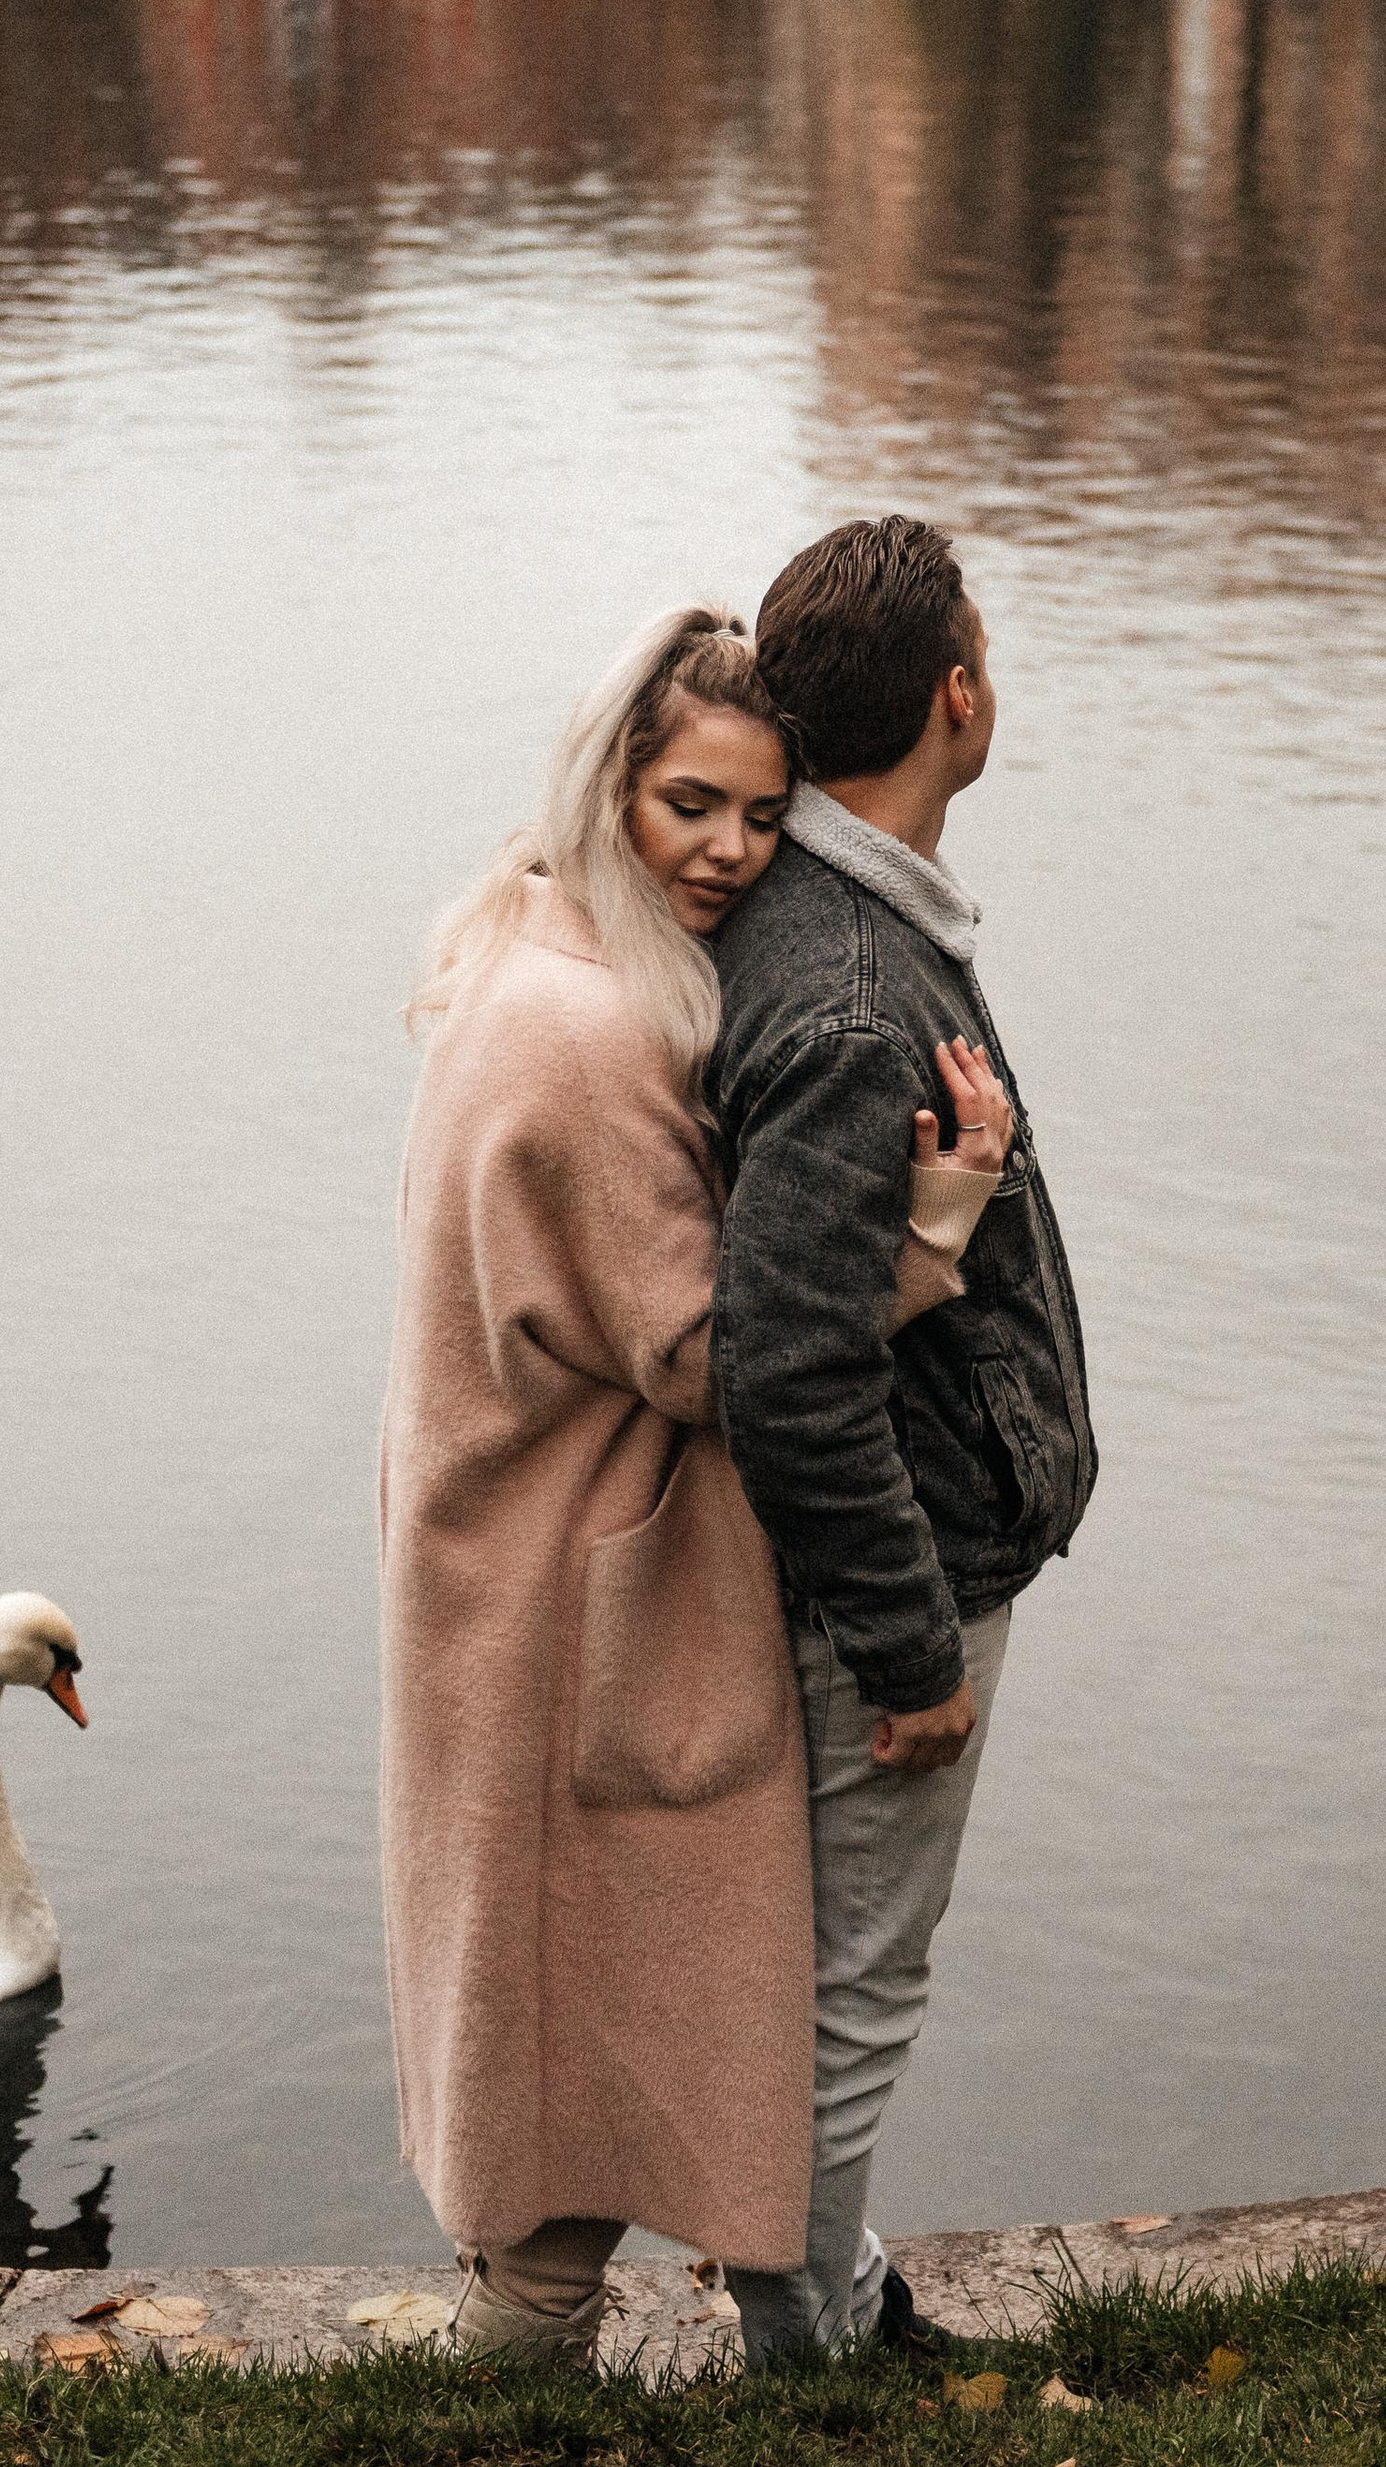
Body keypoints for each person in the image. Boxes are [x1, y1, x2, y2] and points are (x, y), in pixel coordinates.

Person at [377, 602, 1012, 2369]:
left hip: (512, 1545)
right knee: (596, 1989)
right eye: (687, 806)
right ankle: (547, 2377)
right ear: (609, 792)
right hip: (570, 1580)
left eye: (757, 810)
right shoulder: (584, 1038)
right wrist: (933, 1232)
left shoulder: (536, 943)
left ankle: (707, 2324)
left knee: (571, 1984)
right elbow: (721, 1355)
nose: (731, 851)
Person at [710, 518, 1100, 2363]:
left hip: (904, 1553)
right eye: (987, 649)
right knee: (854, 1978)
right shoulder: (856, 991)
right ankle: (810, 2352)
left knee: (830, 1968)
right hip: (898, 1574)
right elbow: (789, 1366)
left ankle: (833, 2290)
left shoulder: (845, 912)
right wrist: (910, 1640)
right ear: (959, 695)